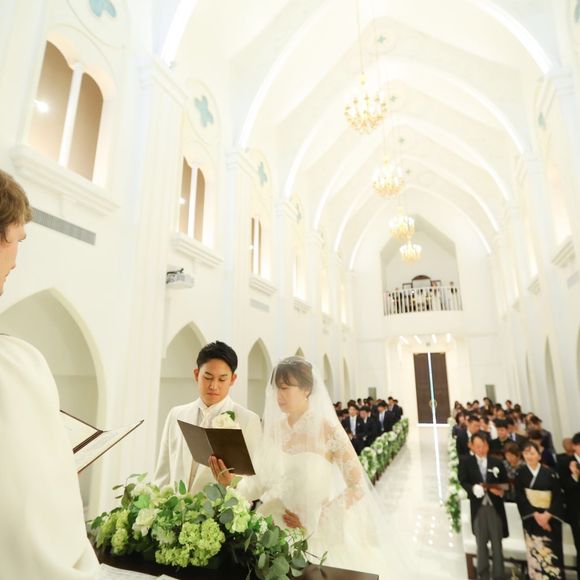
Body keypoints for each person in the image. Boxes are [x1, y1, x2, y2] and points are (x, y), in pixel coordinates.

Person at [210, 356, 405, 577]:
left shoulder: (328, 431)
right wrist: (232, 483)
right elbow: (259, 482)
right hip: (271, 528)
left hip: (315, 534)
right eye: (276, 388)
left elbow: (357, 485)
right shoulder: (273, 431)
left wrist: (320, 516)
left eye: (285, 388)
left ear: (306, 389)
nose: (279, 395)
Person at [0, 170, 99, 579]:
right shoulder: (17, 366)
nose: (16, 261)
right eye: (17, 240)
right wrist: (57, 474)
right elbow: (32, 524)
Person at [154, 340, 261, 494]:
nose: (213, 386)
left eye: (222, 379)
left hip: (218, 508)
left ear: (233, 379)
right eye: (208, 377)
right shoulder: (176, 414)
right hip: (175, 508)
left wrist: (232, 483)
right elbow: (163, 474)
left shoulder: (248, 420)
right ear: (196, 374)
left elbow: (256, 485)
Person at [458, 433, 508, 580]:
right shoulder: (466, 462)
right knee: (481, 543)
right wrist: (472, 488)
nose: (481, 449)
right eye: (478, 446)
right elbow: (463, 480)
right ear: (472, 447)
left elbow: (506, 484)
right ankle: (483, 574)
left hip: (495, 507)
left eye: (484, 446)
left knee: (497, 543)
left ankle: (499, 575)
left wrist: (499, 490)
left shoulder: (497, 462)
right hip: (478, 507)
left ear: (487, 445)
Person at [515, 441, 566, 579]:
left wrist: (547, 515)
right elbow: (520, 497)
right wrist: (536, 514)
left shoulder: (550, 473)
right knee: (534, 554)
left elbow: (558, 497)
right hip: (531, 518)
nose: (529, 456)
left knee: (552, 553)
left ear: (539, 455)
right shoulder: (520, 473)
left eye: (532, 453)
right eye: (526, 453)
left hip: (550, 519)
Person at [557, 432, 580, 580]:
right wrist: (574, 476)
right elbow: (564, 486)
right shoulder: (565, 463)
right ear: (575, 446)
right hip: (576, 512)